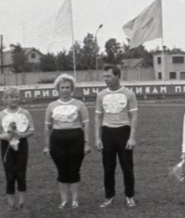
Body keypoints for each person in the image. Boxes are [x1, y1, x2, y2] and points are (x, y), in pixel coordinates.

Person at [43, 74, 90, 209]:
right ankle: (64, 200)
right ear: (58, 89)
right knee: (61, 170)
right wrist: (47, 146)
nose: (65, 90)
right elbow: (47, 127)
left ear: (72, 88)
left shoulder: (79, 104)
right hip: (57, 139)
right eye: (62, 87)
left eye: (67, 87)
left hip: (76, 137)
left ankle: (75, 200)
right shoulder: (51, 105)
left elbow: (86, 124)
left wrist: (87, 143)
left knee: (75, 169)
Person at [94, 64, 138, 208]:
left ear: (118, 76)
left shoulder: (129, 94)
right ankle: (109, 196)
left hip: (123, 132)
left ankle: (129, 196)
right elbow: (98, 117)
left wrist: (131, 137)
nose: (105, 79)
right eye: (104, 76)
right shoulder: (101, 95)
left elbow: (134, 116)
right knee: (108, 168)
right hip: (107, 132)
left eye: (109, 76)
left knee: (127, 167)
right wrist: (97, 137)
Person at [0, 87, 35, 210]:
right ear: (5, 99)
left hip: (22, 144)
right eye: (11, 97)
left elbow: (32, 130)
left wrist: (21, 135)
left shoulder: (25, 113)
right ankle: (11, 202)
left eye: (16, 96)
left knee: (21, 173)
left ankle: (22, 199)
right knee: (10, 174)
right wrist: (5, 136)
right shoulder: (1, 115)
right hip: (6, 146)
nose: (14, 99)